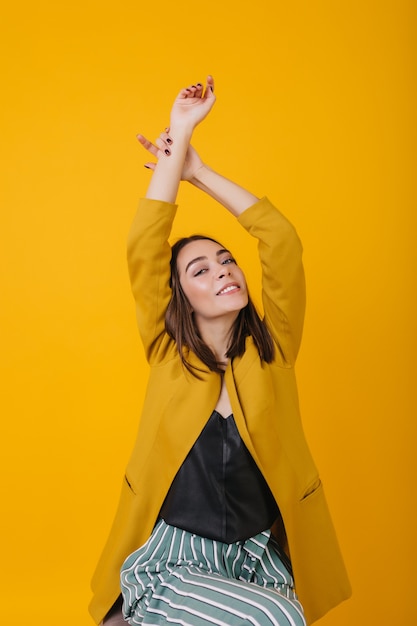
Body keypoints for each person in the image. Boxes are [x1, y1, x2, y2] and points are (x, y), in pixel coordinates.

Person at [89, 76, 351, 626]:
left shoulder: (273, 346)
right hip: (175, 557)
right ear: (180, 295)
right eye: (200, 270)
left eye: (227, 259)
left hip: (256, 558)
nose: (224, 270)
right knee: (275, 620)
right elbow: (144, 245)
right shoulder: (166, 351)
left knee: (276, 611)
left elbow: (280, 239)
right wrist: (178, 136)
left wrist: (200, 173)